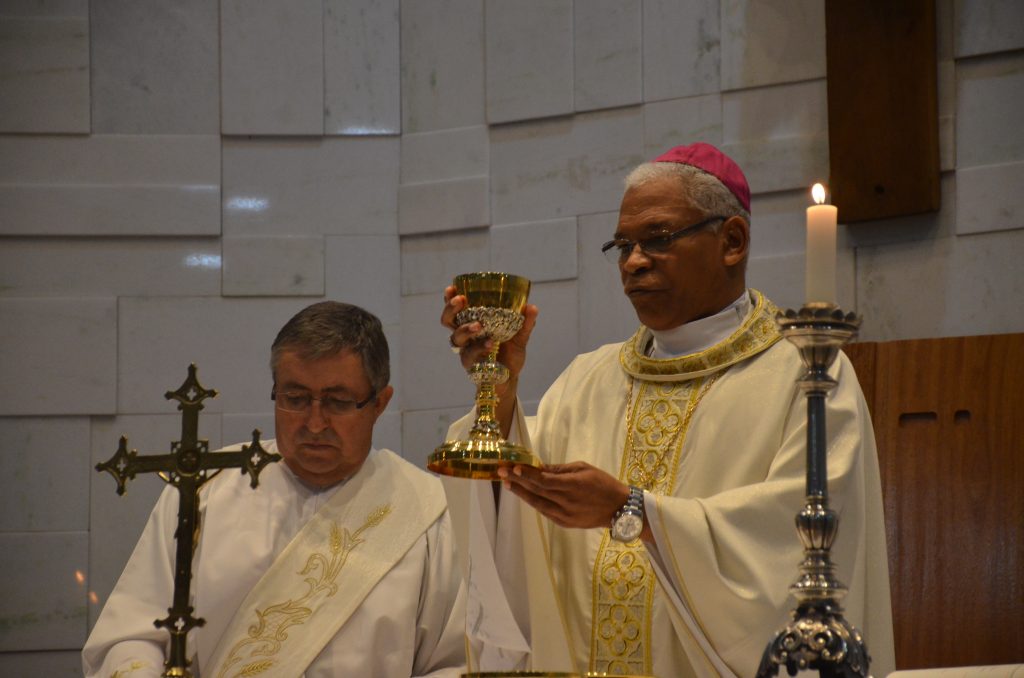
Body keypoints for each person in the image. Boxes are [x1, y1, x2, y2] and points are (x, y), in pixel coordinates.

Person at [441, 143, 895, 677]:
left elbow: (797, 546)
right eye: (622, 245)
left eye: (657, 239)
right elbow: (515, 538)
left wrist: (635, 511)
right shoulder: (587, 379)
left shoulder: (807, 373)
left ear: (732, 241)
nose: (633, 261)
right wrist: (501, 390)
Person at [84, 302, 466, 677]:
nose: (315, 423)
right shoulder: (202, 491)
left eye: (338, 401)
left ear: (380, 402)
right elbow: (131, 636)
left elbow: (455, 663)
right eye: (295, 399)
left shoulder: (425, 512)